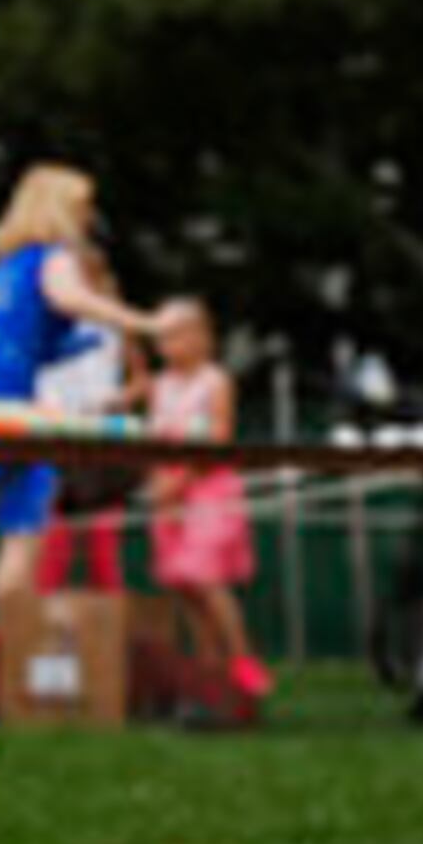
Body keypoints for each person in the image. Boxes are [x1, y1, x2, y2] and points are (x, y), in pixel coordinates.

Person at [0, 165, 172, 605]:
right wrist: (144, 321)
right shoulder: (52, 257)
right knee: (25, 528)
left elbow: (13, 337)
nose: (88, 219)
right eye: (82, 208)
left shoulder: (5, 268)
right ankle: (14, 652)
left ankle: (6, 647)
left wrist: (87, 339)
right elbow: (71, 299)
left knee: (16, 520)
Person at [141, 296, 267, 701]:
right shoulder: (158, 387)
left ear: (202, 337)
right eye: (161, 337)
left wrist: (177, 484)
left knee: (206, 578)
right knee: (183, 585)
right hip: (168, 496)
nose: (168, 344)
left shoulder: (215, 382)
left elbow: (217, 440)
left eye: (177, 334)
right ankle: (208, 671)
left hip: (208, 490)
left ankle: (241, 658)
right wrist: (159, 487)